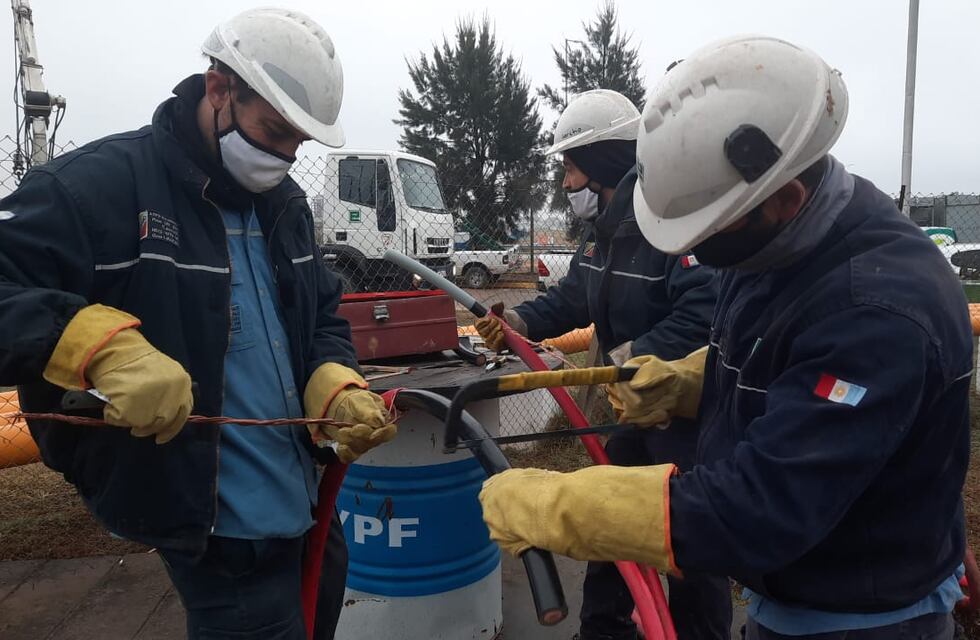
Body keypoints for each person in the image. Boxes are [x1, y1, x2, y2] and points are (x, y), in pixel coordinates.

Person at [479, 35, 971, 640]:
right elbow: (771, 358)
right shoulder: (778, 243)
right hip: (797, 591)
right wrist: (693, 380)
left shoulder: (875, 310)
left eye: (707, 234)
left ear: (785, 198)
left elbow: (759, 510)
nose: (695, 251)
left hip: (857, 616)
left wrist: (565, 505)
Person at [0, 8, 396, 639]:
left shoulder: (285, 206)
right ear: (219, 90)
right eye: (273, 130)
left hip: (307, 501)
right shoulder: (98, 187)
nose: (285, 156)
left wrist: (332, 374)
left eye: (299, 142)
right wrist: (93, 345)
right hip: (215, 526)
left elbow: (321, 312)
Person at [475, 88, 727, 640]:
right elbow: (571, 299)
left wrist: (625, 363)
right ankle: (604, 630)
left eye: (569, 169)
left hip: (682, 418)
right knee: (609, 522)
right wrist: (517, 324)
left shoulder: (667, 224)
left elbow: (705, 308)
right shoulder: (601, 234)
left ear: (602, 164)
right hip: (631, 412)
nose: (565, 184)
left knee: (687, 548)